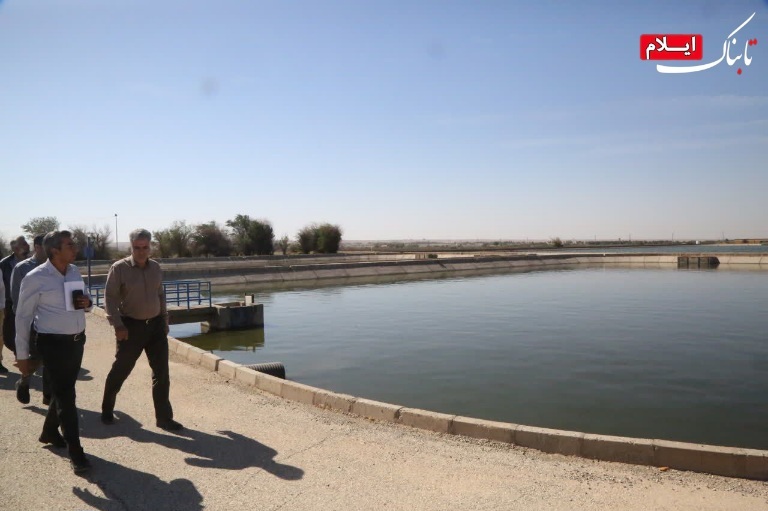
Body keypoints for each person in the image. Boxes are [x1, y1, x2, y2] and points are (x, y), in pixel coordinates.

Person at [15, 231, 92, 473]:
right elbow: (23, 317)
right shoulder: (35, 277)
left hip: (77, 342)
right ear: (54, 250)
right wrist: (22, 355)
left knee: (63, 390)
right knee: (67, 396)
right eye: (70, 245)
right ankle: (76, 452)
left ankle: (49, 431)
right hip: (52, 344)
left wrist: (88, 303)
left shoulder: (74, 271)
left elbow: (86, 300)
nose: (75, 248)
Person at [101, 228, 182, 431]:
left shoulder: (155, 267)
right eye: (137, 247)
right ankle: (107, 408)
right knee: (121, 369)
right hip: (131, 327)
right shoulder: (119, 268)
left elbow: (160, 294)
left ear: (150, 247)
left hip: (155, 326)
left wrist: (164, 320)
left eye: (145, 247)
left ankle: (164, 418)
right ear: (131, 247)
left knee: (162, 373)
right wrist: (117, 325)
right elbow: (109, 298)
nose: (141, 251)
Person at [10, 234, 52, 404]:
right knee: (36, 358)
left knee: (51, 359)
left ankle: (48, 397)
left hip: (52, 323)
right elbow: (16, 300)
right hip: (32, 323)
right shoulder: (22, 269)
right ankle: (24, 381)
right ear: (37, 247)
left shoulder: (57, 267)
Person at [0, 237, 30, 372]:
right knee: (6, 333)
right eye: (24, 244)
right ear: (15, 248)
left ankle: (25, 356)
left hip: (28, 301)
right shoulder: (4, 264)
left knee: (27, 331)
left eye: (26, 243)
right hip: (8, 303)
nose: (27, 246)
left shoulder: (33, 262)